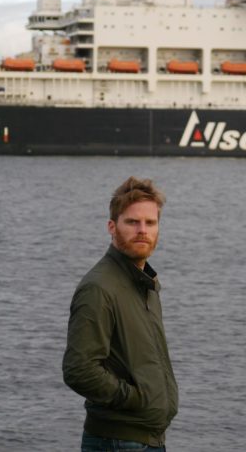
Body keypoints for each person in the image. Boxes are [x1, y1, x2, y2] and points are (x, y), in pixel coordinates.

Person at [63, 177, 178, 452]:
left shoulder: (144, 284)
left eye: (150, 223)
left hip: (146, 438)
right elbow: (79, 370)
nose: (142, 230)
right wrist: (136, 399)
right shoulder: (99, 288)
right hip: (118, 442)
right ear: (112, 227)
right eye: (132, 222)